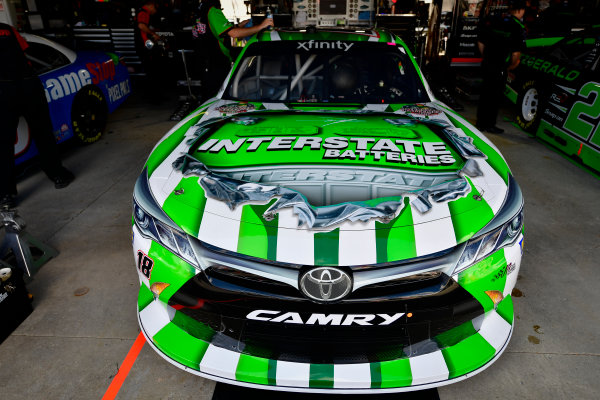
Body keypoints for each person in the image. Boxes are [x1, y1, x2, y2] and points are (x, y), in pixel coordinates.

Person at [0, 23, 74, 210]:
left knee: (3, 143)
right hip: (28, 85)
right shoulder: (7, 29)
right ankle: (58, 175)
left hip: (5, 90)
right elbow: (24, 52)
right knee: (43, 132)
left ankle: (5, 196)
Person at [192, 0, 275, 98]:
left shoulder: (201, 9)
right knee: (217, 97)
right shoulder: (213, 11)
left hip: (205, 60)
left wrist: (239, 26)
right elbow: (233, 34)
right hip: (216, 62)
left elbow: (214, 30)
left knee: (209, 96)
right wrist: (261, 26)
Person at [476, 0, 527, 134]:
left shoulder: (493, 19)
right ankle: (489, 124)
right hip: (500, 66)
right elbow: (516, 55)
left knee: (485, 93)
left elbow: (480, 43)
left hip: (487, 63)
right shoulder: (518, 27)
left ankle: (480, 123)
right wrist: (509, 67)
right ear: (521, 10)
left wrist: (487, 57)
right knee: (495, 96)